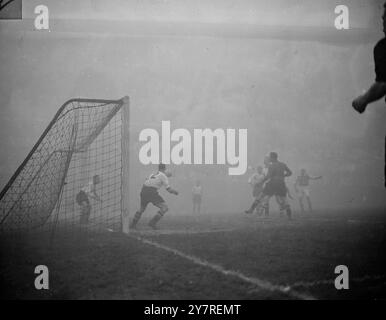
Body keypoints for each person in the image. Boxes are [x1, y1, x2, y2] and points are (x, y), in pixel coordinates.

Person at [352, 3, 386, 113]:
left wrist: (363, 99)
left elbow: (383, 83)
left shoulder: (383, 47)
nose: (382, 17)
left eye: (385, 14)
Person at [130, 164, 178, 230]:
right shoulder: (163, 176)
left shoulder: (153, 174)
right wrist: (175, 192)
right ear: (164, 169)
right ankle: (152, 223)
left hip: (144, 190)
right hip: (151, 192)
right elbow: (169, 189)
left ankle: (133, 225)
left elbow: (147, 180)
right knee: (165, 208)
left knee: (141, 209)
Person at [259, 152, 293, 219]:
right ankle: (289, 216)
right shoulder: (283, 164)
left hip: (273, 183)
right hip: (281, 183)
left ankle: (261, 213)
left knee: (266, 197)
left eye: (269, 157)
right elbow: (290, 173)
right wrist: (284, 175)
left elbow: (268, 176)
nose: (269, 159)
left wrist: (262, 181)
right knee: (284, 199)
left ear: (272, 158)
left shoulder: (271, 166)